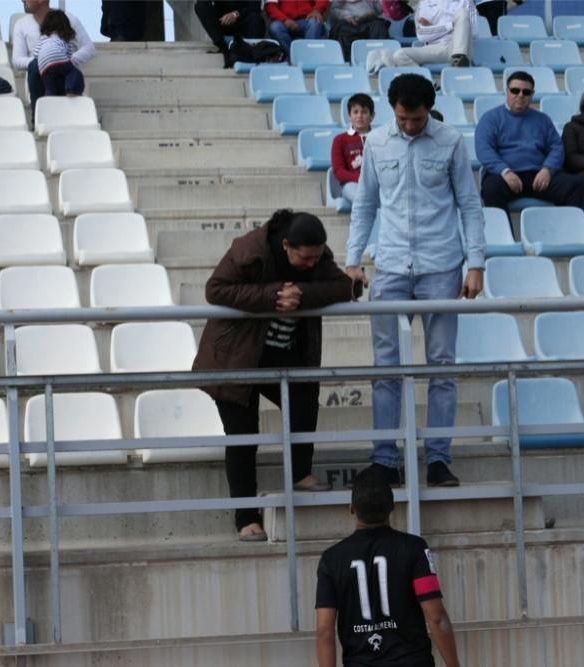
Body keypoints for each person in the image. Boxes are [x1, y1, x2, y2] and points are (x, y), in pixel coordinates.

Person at [345, 74, 485, 489]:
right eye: (404, 118)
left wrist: (475, 262)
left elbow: (470, 205)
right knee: (386, 367)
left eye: (417, 119)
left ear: (429, 110)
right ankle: (385, 459)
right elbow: (366, 204)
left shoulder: (451, 141)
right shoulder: (376, 143)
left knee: (441, 367)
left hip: (441, 265)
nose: (410, 126)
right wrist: (353, 259)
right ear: (392, 110)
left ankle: (438, 459)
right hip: (389, 264)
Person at [193, 209, 358, 542]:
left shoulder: (316, 256)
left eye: (316, 258)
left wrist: (299, 293)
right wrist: (271, 297)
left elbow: (343, 287)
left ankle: (300, 472)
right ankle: (246, 519)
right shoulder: (249, 251)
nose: (312, 264)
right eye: (305, 258)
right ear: (286, 245)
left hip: (279, 357)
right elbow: (216, 290)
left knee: (305, 397)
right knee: (243, 436)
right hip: (235, 358)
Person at [315, 467, 461, 667]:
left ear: (351, 508)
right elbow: (436, 617)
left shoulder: (331, 559)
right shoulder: (415, 548)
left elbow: (324, 631)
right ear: (392, 506)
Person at [475, 70, 584, 228]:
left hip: (539, 176)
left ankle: (581, 236)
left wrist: (547, 170)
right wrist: (505, 171)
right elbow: (484, 150)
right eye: (515, 90)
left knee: (577, 184)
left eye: (526, 92)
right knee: (491, 188)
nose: (520, 95)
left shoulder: (542, 119)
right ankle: (505, 240)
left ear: (532, 94)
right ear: (506, 91)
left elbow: (556, 147)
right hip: (506, 176)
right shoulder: (490, 118)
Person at [11, 0, 95, 119]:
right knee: (34, 64)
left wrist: (67, 61)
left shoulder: (67, 19)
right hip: (41, 79)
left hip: (65, 75)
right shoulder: (21, 24)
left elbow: (89, 48)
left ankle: (72, 94)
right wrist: (44, 61)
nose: (22, 0)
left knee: (72, 72)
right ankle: (39, 118)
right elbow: (17, 60)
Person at [385, 0, 476, 68]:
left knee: (462, 14)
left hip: (461, 47)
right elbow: (422, 35)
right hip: (437, 48)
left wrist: (432, 28)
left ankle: (458, 59)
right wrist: (452, 25)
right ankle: (429, 84)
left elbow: (474, 33)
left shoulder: (466, 1)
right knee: (400, 55)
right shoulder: (423, 4)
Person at [194, 0, 265, 68]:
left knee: (256, 18)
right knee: (201, 5)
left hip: (244, 21)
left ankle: (252, 52)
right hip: (223, 21)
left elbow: (255, 7)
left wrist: (236, 14)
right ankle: (223, 46)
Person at [332, 93, 374, 203]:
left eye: (364, 112)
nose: (359, 116)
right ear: (349, 115)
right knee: (362, 199)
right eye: (355, 112)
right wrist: (360, 179)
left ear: (372, 116)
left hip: (376, 183)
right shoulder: (340, 140)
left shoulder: (380, 138)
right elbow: (339, 171)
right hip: (352, 184)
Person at [33, 10, 84, 97]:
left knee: (50, 88)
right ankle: (71, 90)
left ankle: (48, 101)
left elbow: (35, 53)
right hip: (58, 56)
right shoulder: (63, 37)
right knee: (73, 72)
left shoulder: (43, 38)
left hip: (43, 65)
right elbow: (68, 55)